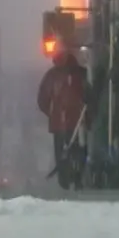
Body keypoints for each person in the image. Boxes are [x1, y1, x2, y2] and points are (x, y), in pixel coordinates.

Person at [37, 51, 89, 190]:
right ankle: (74, 177)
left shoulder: (52, 76)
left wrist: (52, 113)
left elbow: (42, 99)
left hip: (67, 122)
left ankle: (66, 177)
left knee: (64, 151)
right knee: (78, 150)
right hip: (74, 122)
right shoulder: (80, 74)